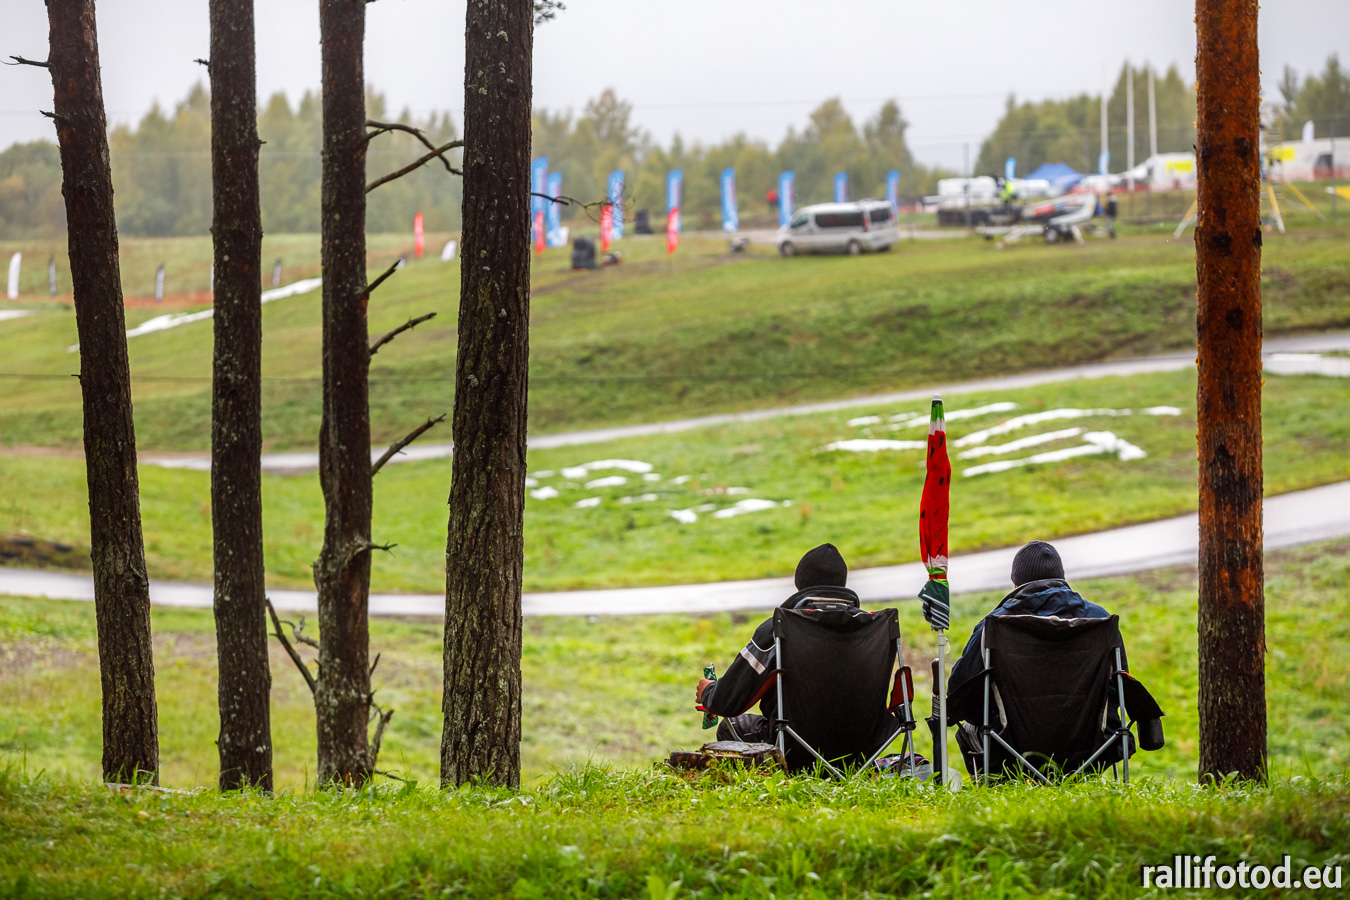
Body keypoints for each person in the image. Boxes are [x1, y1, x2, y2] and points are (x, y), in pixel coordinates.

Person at [945, 540, 1131, 772]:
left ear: (1016, 583)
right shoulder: (1100, 620)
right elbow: (1121, 684)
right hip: (1092, 748)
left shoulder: (994, 626)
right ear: (1062, 578)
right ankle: (1078, 778)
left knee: (970, 729)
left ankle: (999, 786)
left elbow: (958, 693)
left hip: (1011, 751)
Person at [695, 543, 861, 744]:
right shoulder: (873, 627)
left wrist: (709, 692)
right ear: (842, 583)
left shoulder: (779, 627)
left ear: (799, 583)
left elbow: (728, 701)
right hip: (864, 745)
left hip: (794, 745)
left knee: (731, 728)